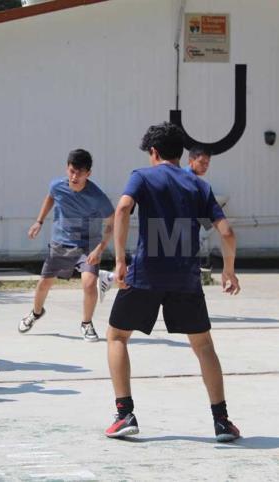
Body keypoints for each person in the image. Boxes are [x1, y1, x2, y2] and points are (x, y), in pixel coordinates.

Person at [105, 122, 240, 442]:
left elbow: (123, 208)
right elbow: (227, 233)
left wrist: (120, 259)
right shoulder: (198, 185)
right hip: (186, 278)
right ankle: (221, 421)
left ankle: (125, 414)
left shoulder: (141, 176)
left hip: (146, 275)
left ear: (153, 152)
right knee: (204, 345)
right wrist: (229, 269)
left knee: (116, 337)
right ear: (181, 153)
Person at [18, 149, 114, 342]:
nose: (74, 176)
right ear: (67, 168)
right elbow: (51, 197)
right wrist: (39, 221)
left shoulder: (97, 197)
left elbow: (112, 221)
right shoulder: (57, 185)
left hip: (88, 245)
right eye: (71, 171)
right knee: (44, 283)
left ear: (89, 173)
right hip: (61, 242)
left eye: (80, 172)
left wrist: (100, 248)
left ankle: (86, 323)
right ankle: (36, 313)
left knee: (88, 284)